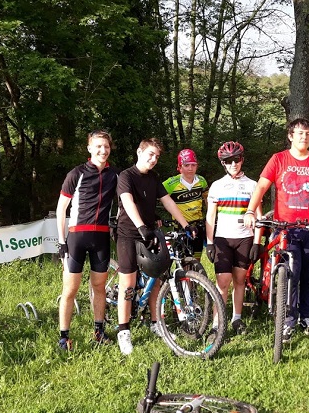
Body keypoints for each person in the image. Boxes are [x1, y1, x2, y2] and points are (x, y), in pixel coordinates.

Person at [243, 119, 309, 340]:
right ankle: (288, 320)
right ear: (291, 136)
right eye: (300, 133)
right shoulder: (278, 159)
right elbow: (261, 186)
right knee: (290, 275)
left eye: (308, 133)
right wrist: (250, 211)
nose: (304, 137)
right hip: (285, 228)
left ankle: (305, 316)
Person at [116, 138, 195, 355]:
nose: (153, 159)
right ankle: (124, 331)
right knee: (128, 283)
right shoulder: (126, 176)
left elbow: (168, 201)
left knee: (157, 279)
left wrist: (185, 224)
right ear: (139, 152)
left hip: (149, 232)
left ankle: (155, 323)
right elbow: (127, 201)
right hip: (129, 233)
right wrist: (140, 226)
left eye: (157, 156)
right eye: (150, 154)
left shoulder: (153, 177)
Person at [56, 130, 118, 350]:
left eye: (106, 147)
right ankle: (63, 337)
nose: (103, 150)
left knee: (99, 287)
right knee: (70, 290)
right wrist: (62, 242)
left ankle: (99, 332)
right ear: (90, 148)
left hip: (101, 237)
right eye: (98, 146)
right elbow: (61, 208)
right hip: (77, 237)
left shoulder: (115, 175)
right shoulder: (77, 173)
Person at [205, 141, 262, 336]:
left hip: (245, 238)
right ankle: (217, 324)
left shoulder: (253, 185)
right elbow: (211, 216)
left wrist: (257, 242)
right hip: (223, 238)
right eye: (228, 161)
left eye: (236, 159)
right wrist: (210, 242)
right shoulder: (217, 186)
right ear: (223, 163)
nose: (233, 164)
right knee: (222, 282)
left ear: (242, 159)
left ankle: (236, 318)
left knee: (239, 280)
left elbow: (259, 217)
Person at [163, 149, 208, 259]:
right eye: (186, 165)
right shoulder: (170, 184)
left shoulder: (202, 181)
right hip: (181, 227)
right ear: (179, 167)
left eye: (193, 165)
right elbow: (156, 196)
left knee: (196, 258)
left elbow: (207, 201)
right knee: (183, 258)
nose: (190, 168)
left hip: (198, 225)